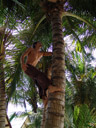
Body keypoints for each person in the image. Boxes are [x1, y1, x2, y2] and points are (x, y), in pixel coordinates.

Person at [21, 42, 63, 106]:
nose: (41, 44)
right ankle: (50, 87)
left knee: (39, 82)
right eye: (39, 43)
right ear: (35, 44)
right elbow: (23, 56)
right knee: (40, 75)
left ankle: (44, 98)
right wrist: (22, 64)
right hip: (28, 67)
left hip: (32, 69)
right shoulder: (31, 49)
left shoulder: (41, 53)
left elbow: (51, 53)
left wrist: (58, 50)